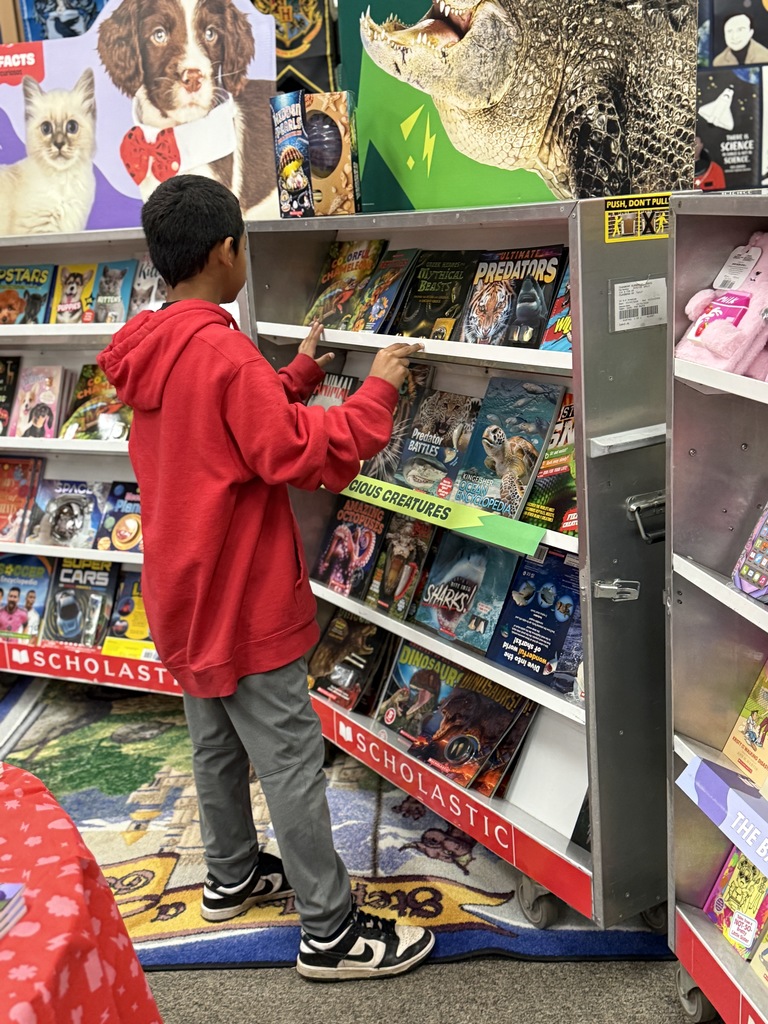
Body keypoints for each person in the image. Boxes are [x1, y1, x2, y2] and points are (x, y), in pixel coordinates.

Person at [97, 174, 434, 982]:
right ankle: (331, 931)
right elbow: (296, 453)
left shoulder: (155, 343)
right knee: (288, 758)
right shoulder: (220, 348)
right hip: (242, 596)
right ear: (226, 251)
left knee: (214, 746)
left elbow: (223, 434)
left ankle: (230, 874)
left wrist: (297, 374)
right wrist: (380, 386)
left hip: (181, 591)